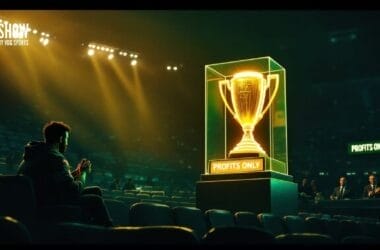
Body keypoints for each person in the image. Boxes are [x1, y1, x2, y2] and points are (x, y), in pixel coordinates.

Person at [17, 121, 113, 227]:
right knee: (96, 200)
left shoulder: (35, 153)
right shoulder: (55, 157)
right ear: (61, 139)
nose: (67, 144)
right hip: (49, 205)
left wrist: (78, 172)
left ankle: (89, 230)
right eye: (67, 139)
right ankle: (110, 234)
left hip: (40, 200)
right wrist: (84, 174)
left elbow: (55, 181)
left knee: (95, 190)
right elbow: (73, 191)